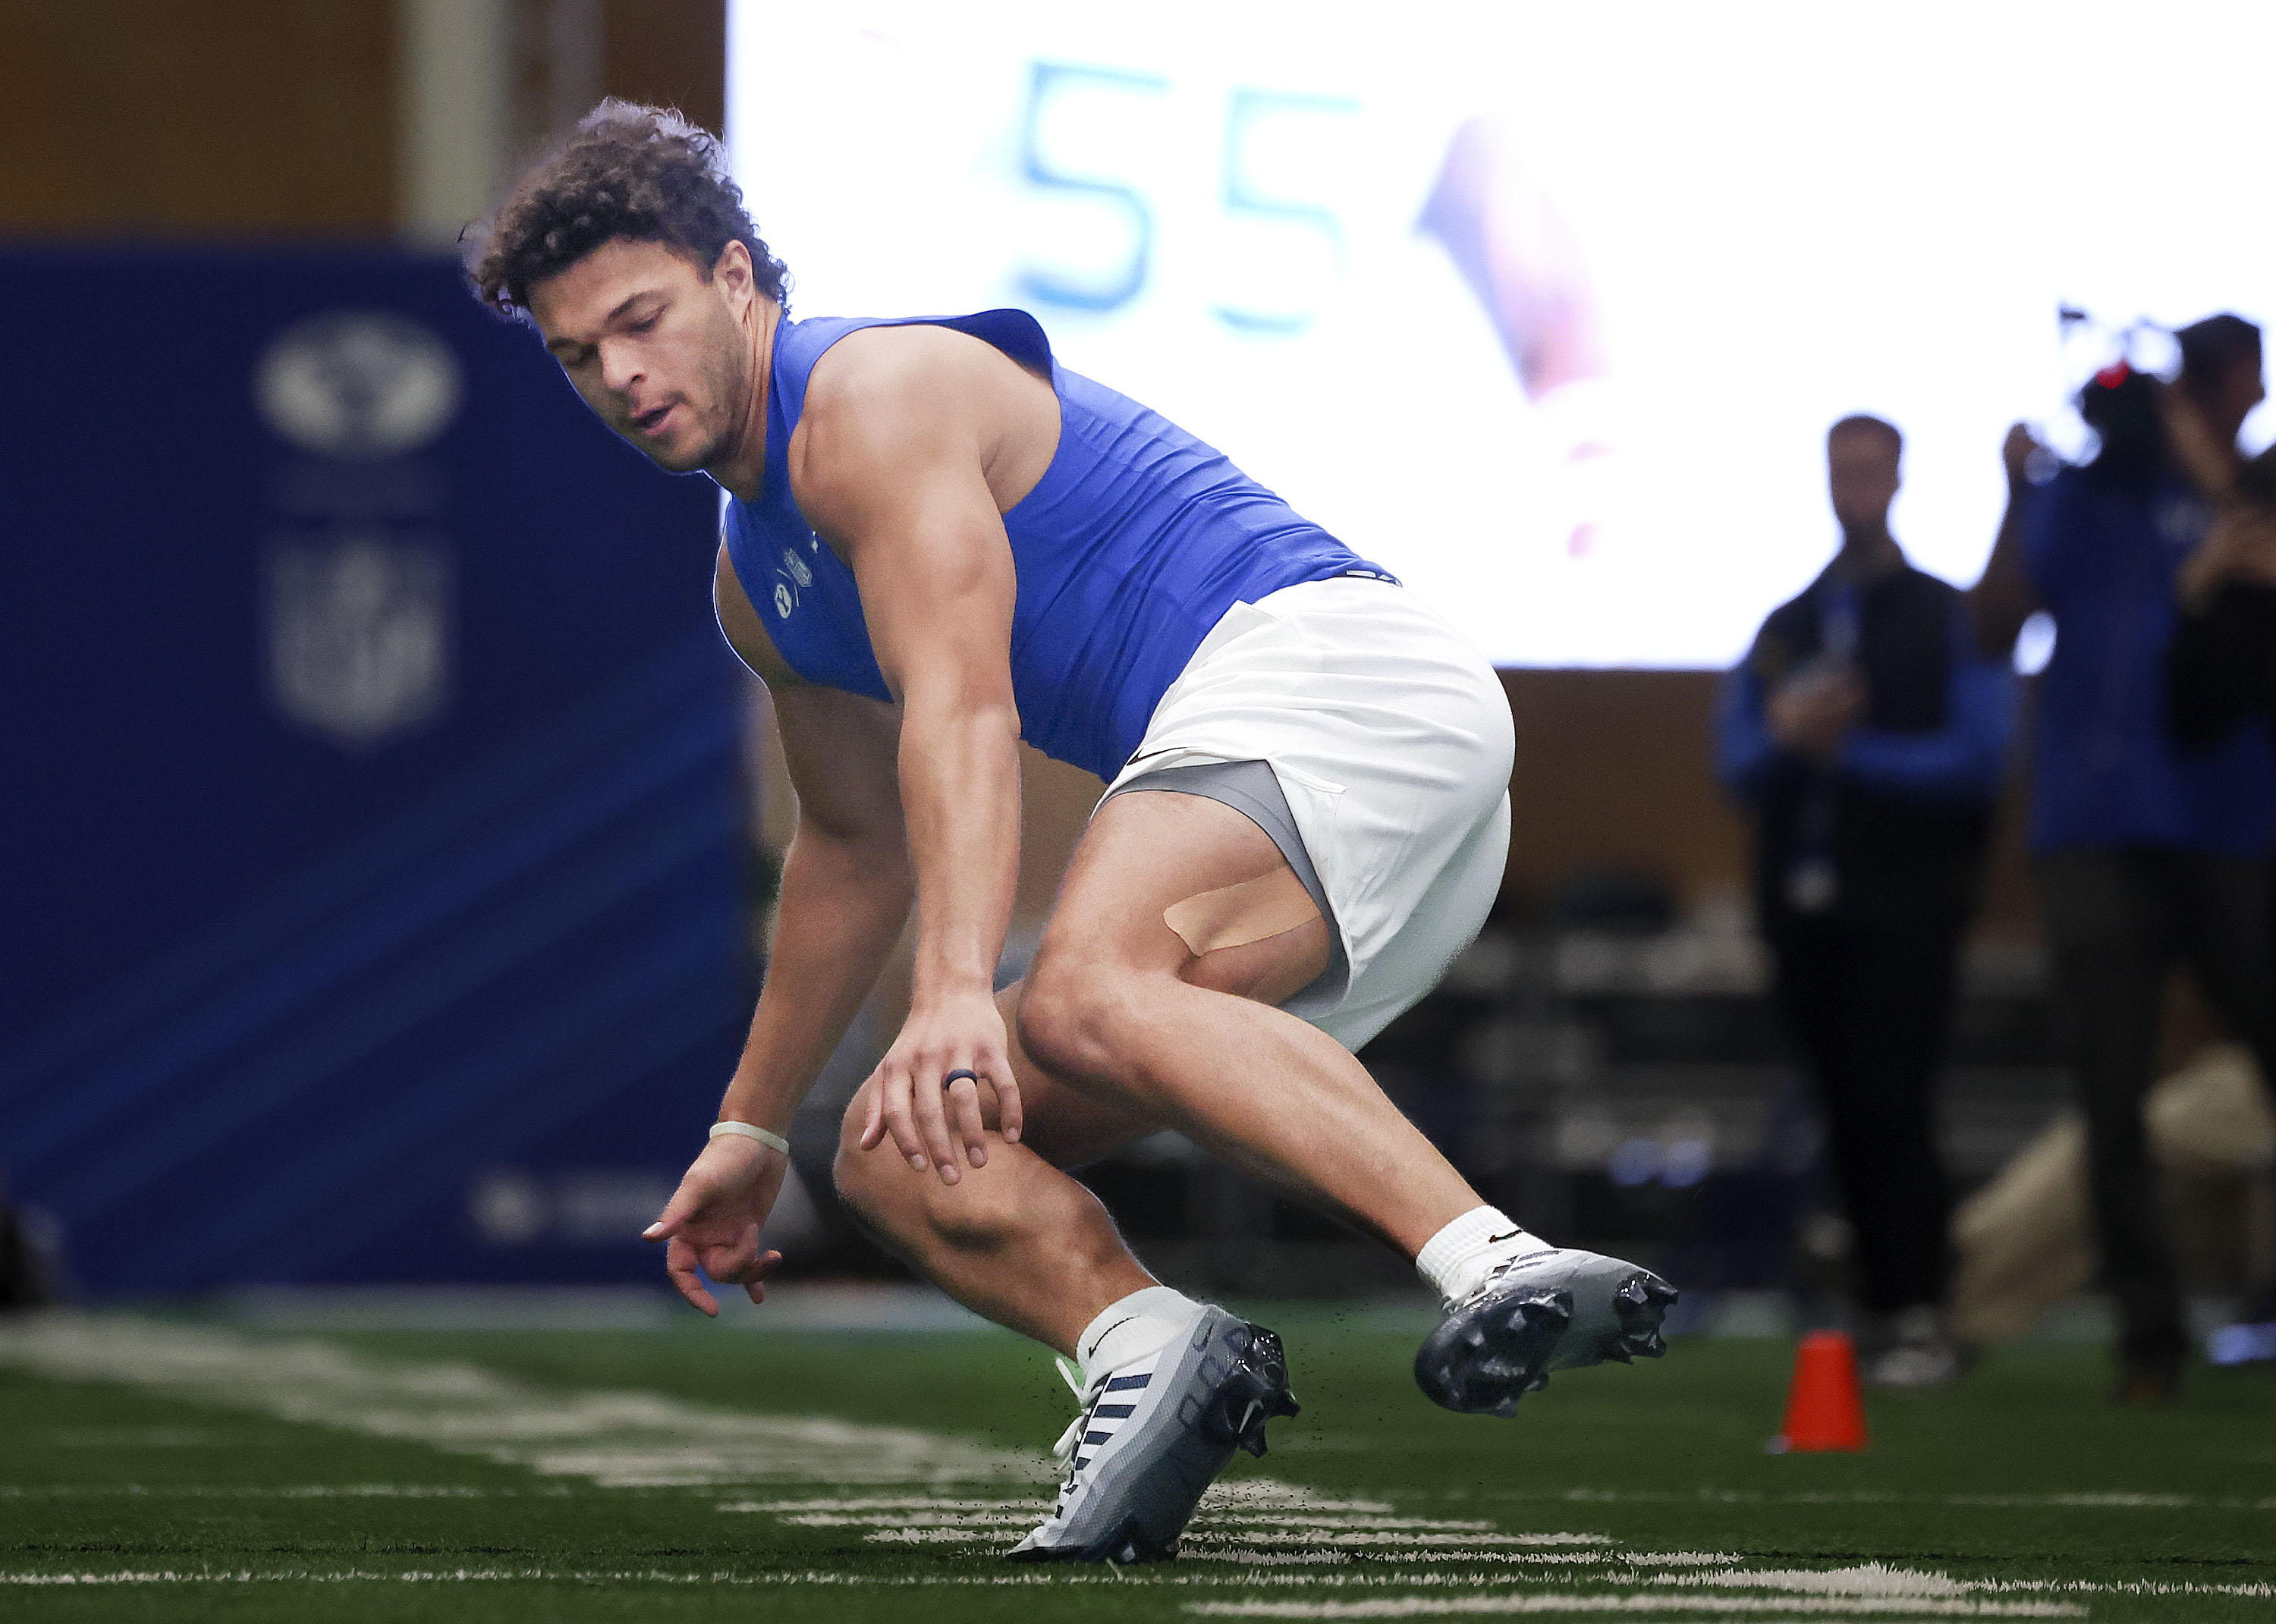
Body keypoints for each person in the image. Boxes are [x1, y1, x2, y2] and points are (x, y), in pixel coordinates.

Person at [467, 103, 1674, 1562]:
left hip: (1337, 674)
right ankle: (1152, 1350)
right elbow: (850, 849)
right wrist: (747, 1125)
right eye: (579, 354)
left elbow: (963, 712)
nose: (623, 376)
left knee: (1086, 985)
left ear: (737, 278)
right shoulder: (753, 577)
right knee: (898, 1155)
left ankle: (1503, 1261)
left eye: (644, 320)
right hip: (1342, 804)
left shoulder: (872, 397)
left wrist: (958, 990)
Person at [1971, 315, 2276, 1401]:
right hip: (2098, 825)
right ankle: (2151, 1338)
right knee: (2109, 1087)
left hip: (2230, 820)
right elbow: (1994, 624)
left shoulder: (2246, 491)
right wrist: (2017, 486)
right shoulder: (2081, 495)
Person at [1718, 416, 2014, 1387]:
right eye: (1839, 470)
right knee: (1843, 1102)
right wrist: (1789, 737)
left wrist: (1853, 754)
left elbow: (1980, 760)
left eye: (1868, 470)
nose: (1854, 486)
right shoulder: (1786, 624)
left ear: (1897, 477)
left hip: (1910, 902)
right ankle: (1875, 1303)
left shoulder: (1946, 615)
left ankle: (1921, 1301)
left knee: (1896, 1097)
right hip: (1803, 914)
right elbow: (1738, 758)